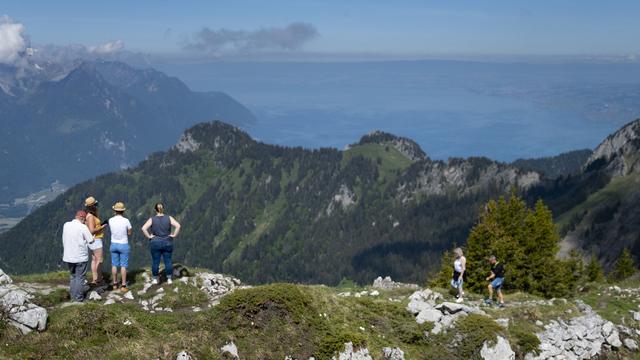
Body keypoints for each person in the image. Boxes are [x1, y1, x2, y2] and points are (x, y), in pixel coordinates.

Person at [141, 203, 181, 285]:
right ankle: (169, 279)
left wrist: (149, 236)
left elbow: (143, 228)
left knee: (156, 261)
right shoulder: (169, 218)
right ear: (163, 209)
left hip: (155, 242)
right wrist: (174, 235)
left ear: (155, 210)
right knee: (168, 261)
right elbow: (178, 226)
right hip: (167, 241)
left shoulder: (152, 219)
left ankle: (155, 279)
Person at [62, 210, 94, 302]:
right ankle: (79, 298)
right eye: (85, 220)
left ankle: (72, 297)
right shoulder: (83, 227)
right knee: (80, 278)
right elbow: (90, 240)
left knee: (73, 276)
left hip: (68, 256)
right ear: (83, 219)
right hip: (80, 257)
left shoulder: (66, 225)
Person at [108, 202, 132, 292]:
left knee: (114, 265)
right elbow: (129, 232)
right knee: (123, 265)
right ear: (123, 211)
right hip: (123, 244)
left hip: (113, 244)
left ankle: (114, 283)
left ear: (114, 210)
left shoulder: (110, 220)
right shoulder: (126, 221)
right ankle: (123, 285)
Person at [85, 196, 107, 285]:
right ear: (93, 205)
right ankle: (99, 279)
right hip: (96, 239)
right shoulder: (90, 216)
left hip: (93, 240)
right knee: (100, 260)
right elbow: (91, 230)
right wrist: (102, 226)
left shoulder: (90, 214)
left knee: (94, 260)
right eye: (96, 204)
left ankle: (95, 279)